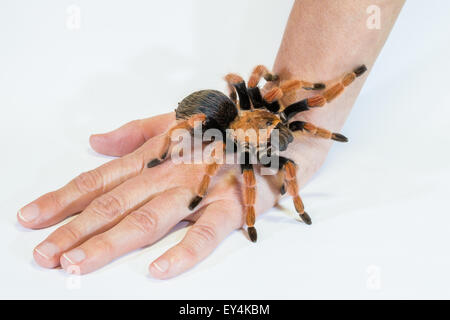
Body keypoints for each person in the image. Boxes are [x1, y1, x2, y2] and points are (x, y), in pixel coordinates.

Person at [17, 0, 405, 279]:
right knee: (244, 169)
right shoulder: (227, 138)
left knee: (269, 114)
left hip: (236, 116)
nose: (278, 133)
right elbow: (244, 83)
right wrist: (207, 190)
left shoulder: (273, 113)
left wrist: (319, 129)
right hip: (214, 116)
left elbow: (262, 84)